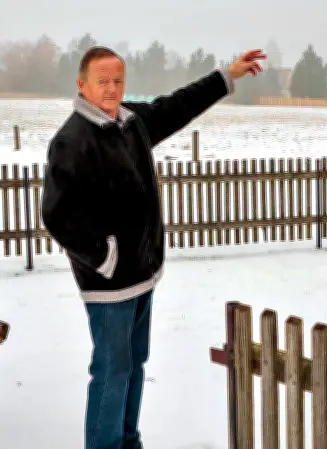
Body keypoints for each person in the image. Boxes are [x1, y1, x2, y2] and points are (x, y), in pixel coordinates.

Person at [41, 46, 266, 449]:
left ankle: (128, 441)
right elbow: (58, 215)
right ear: (82, 84)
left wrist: (226, 76)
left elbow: (177, 106)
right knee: (112, 369)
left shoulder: (131, 122)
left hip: (142, 274)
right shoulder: (72, 141)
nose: (111, 89)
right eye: (102, 81)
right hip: (109, 285)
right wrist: (105, 258)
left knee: (134, 365)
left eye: (117, 81)